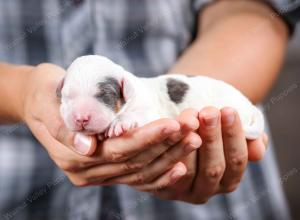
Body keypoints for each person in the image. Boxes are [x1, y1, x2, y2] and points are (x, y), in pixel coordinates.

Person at [0, 0, 298, 219]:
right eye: (70, 97)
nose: (80, 114)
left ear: (123, 91)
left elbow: (256, 10)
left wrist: (189, 128)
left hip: (209, 188)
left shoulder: (138, 95)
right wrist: (21, 93)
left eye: (101, 97)